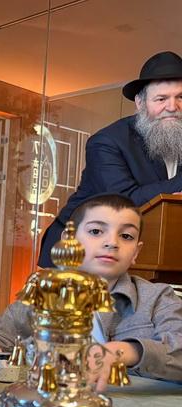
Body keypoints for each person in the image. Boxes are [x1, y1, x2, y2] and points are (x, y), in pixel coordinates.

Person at [0, 194, 182, 390]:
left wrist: (124, 352)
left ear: (136, 251)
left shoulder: (158, 298)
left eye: (126, 236)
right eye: (96, 231)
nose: (112, 242)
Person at [39, 51, 182, 267]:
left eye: (180, 97)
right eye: (161, 99)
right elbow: (126, 201)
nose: (172, 107)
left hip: (140, 254)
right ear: (140, 103)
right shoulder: (107, 141)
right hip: (76, 254)